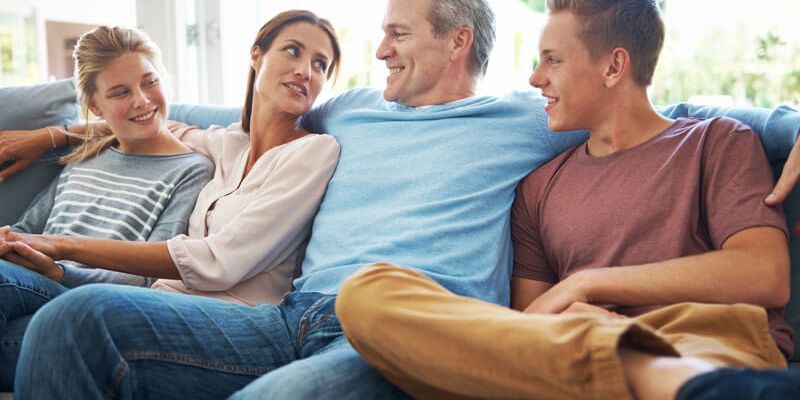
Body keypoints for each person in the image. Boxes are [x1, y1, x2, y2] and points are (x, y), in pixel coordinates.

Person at [6, 1, 800, 399]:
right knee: (73, 321)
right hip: (285, 316)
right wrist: (54, 135)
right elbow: (179, 122)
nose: (376, 49)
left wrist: (792, 122)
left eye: (398, 33)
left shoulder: (531, 119)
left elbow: (670, 114)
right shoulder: (344, 109)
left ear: (457, 42)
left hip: (400, 332)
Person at [335, 0, 797, 399]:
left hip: (700, 342)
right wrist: (573, 319)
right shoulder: (539, 186)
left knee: (694, 371)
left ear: (614, 67)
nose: (535, 79)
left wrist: (587, 283)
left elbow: (764, 274)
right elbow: (525, 321)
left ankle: (665, 376)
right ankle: (635, 373)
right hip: (567, 349)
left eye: (552, 60)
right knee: (368, 291)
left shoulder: (715, 141)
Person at [0, 9, 341, 391]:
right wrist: (50, 136)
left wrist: (62, 246)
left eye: (320, 64)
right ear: (256, 56)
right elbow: (142, 124)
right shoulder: (226, 144)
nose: (305, 71)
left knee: (73, 314)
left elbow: (220, 262)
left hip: (236, 320)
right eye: (293, 51)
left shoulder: (314, 151)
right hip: (161, 307)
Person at [0, 25, 214, 390]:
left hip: (86, 300)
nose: (142, 100)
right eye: (121, 92)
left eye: (150, 82)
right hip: (35, 299)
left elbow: (149, 275)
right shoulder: (85, 156)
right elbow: (25, 228)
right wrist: (12, 244)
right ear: (95, 106)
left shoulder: (191, 169)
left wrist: (57, 272)